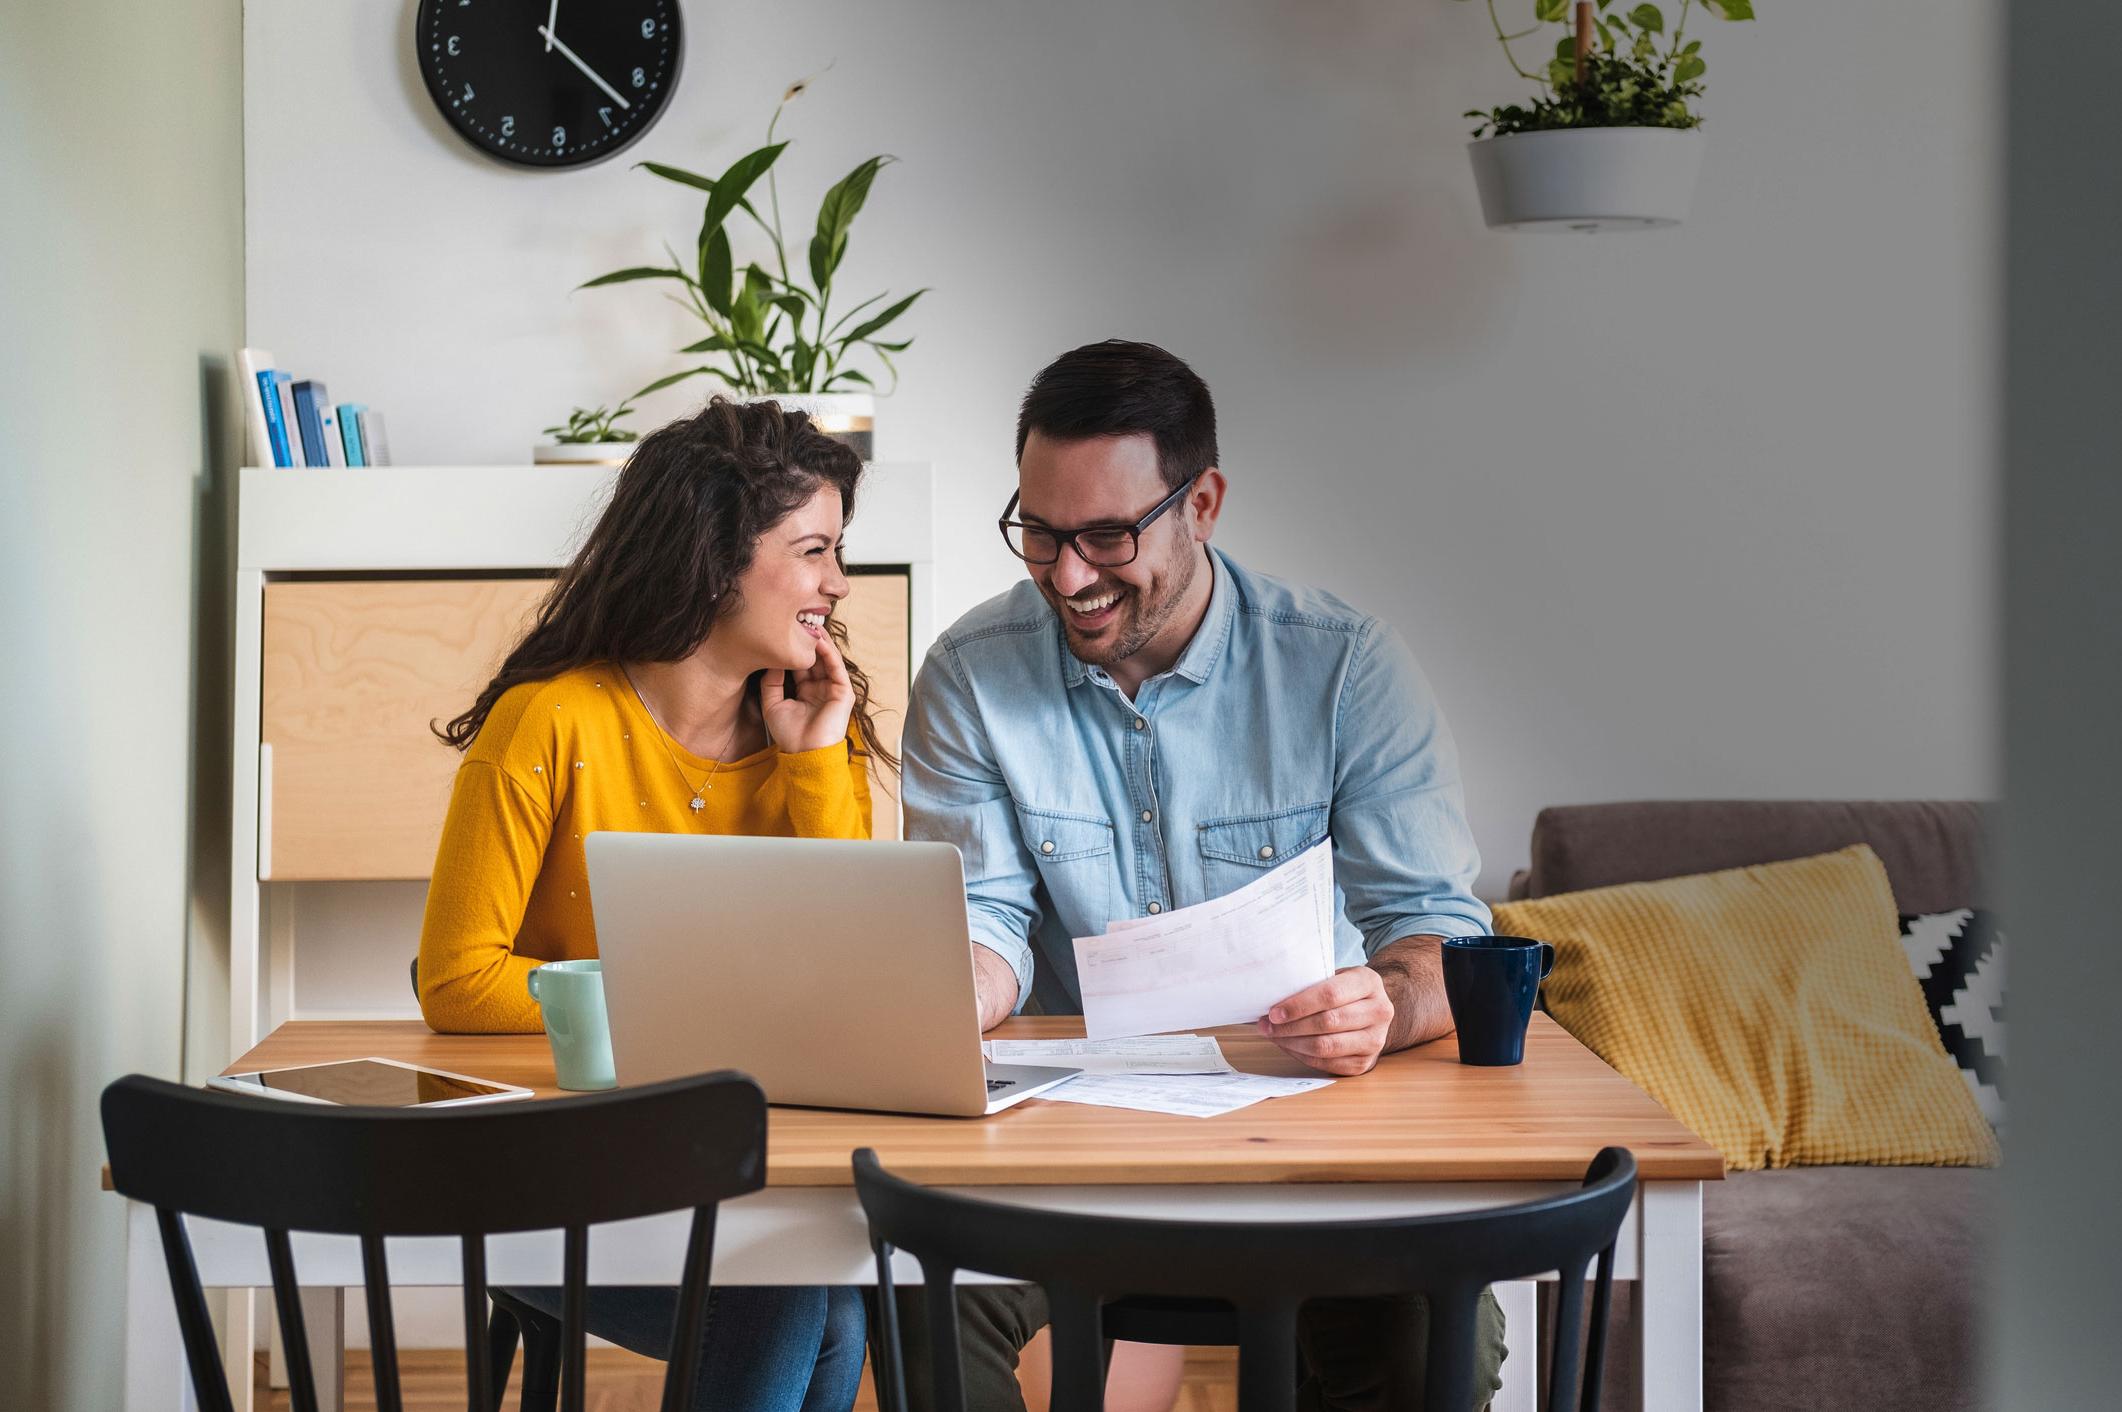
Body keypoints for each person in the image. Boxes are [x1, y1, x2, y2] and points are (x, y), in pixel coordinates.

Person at [897, 341, 1506, 1411]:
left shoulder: (1343, 665)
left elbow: (1433, 931)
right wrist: (953, 987)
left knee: (1434, 1340)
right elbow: (983, 914)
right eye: (1039, 533)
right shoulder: (969, 673)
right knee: (913, 1297)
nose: (1068, 576)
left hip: (1312, 1142)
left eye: (1106, 535)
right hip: (1057, 1153)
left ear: (1204, 502)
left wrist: (1387, 1005)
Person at [416, 397, 882, 1412]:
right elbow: (457, 979)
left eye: (836, 552)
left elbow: (854, 977)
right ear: (716, 558)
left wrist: (813, 766)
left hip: (730, 1170)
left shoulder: (807, 732)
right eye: (812, 550)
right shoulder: (547, 721)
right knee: (793, 1297)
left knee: (832, 1297)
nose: (835, 584)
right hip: (544, 1178)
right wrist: (688, 1019)